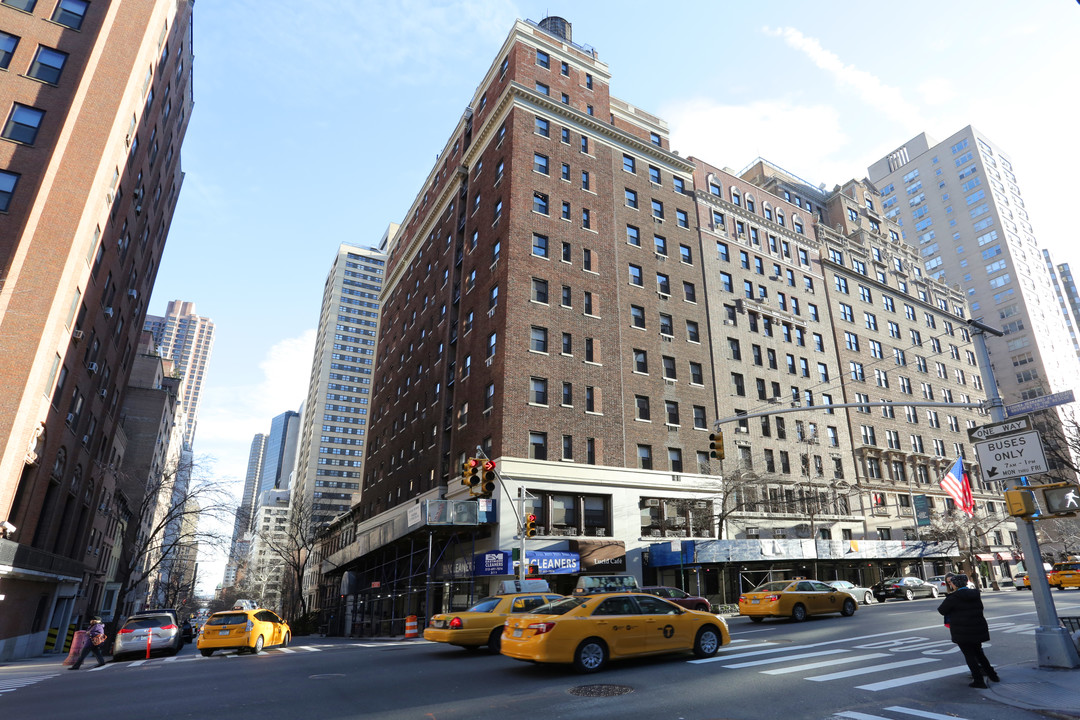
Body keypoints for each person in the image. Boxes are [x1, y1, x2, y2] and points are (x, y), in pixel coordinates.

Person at [937, 574, 999, 688]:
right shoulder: (975, 594)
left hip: (962, 630)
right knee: (979, 654)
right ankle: (993, 675)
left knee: (970, 656)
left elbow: (942, 610)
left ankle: (978, 680)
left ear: (955, 584)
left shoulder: (953, 597)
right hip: (977, 627)